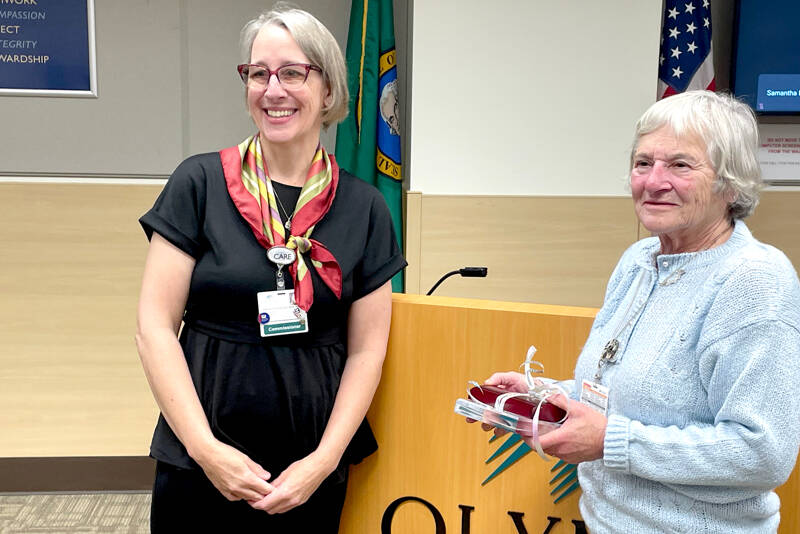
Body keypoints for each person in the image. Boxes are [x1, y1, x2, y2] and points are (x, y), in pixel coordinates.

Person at [135, 4, 406, 531]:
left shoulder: (366, 207)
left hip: (308, 466)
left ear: (328, 90)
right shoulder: (199, 183)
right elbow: (154, 328)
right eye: (258, 73)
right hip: (201, 454)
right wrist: (207, 450)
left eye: (292, 72)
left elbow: (368, 350)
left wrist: (324, 462)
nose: (272, 89)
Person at [479, 91, 800, 533]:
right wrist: (540, 398)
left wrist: (610, 441)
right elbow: (616, 393)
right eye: (643, 162)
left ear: (730, 184)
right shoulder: (639, 260)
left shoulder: (755, 281)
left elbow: (763, 453)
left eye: (680, 165)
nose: (653, 181)